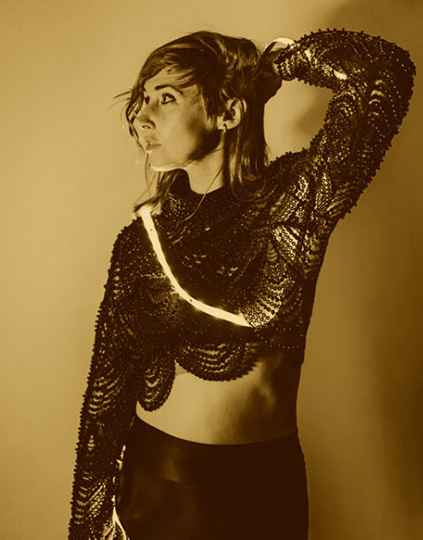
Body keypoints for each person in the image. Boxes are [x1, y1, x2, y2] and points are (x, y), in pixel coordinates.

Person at [68, 29, 415, 540]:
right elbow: (107, 397)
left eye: (167, 98)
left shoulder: (294, 202)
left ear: (227, 113)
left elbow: (384, 73)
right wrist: (88, 526)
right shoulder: (141, 243)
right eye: (142, 99)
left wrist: (276, 68)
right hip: (159, 488)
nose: (142, 117)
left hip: (266, 490)